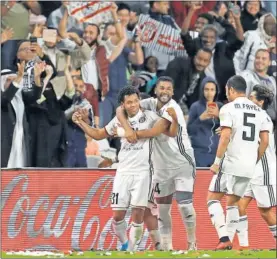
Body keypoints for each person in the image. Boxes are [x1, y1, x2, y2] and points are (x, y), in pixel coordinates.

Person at [72, 86, 178, 251]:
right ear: (123, 104)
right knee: (117, 216)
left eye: (136, 101)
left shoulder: (149, 117)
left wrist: (127, 132)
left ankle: (131, 251)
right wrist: (80, 123)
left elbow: (165, 130)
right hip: (122, 171)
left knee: (138, 213)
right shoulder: (118, 119)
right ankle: (124, 244)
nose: (134, 104)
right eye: (129, 102)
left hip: (143, 172)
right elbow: (98, 134)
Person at [116, 77, 197, 251]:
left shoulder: (172, 108)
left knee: (184, 205)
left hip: (182, 161)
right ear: (156, 90)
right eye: (162, 88)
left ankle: (192, 244)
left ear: (173, 92)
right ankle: (167, 249)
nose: (165, 91)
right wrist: (127, 128)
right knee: (162, 210)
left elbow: (154, 131)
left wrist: (130, 133)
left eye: (169, 88)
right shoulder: (149, 103)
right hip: (161, 166)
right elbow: (120, 109)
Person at [207, 75, 270, 250]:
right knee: (232, 203)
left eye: (227, 90)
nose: (226, 94)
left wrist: (217, 162)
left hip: (230, 164)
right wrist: (254, 159)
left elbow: (226, 136)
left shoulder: (228, 108)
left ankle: (224, 238)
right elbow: (264, 140)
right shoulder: (259, 111)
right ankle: (231, 244)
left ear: (231, 89)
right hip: (249, 166)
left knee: (212, 200)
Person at [236, 85, 276, 248]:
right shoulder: (250, 117)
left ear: (260, 102)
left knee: (265, 211)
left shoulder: (263, 118)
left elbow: (263, 143)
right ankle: (244, 247)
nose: (248, 99)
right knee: (239, 205)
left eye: (252, 97)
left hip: (263, 170)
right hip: (250, 171)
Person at [187, 77, 223, 167]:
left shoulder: (221, 107)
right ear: (202, 90)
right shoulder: (195, 106)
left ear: (216, 91)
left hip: (217, 154)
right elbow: (189, 130)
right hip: (199, 153)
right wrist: (201, 118)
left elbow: (230, 128)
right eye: (206, 89)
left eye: (212, 90)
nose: (209, 93)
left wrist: (219, 116)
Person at [1, 63, 30, 168]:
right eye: (8, 80)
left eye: (15, 80)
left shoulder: (21, 100)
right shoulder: (2, 99)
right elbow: (5, 99)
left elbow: (35, 95)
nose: (12, 83)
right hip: (5, 143)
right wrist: (19, 77)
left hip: (20, 140)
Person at [239, 49, 276, 122]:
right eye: (257, 58)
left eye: (264, 58)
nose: (260, 60)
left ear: (269, 62)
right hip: (251, 121)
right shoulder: (246, 76)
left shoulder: (272, 80)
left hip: (270, 123)